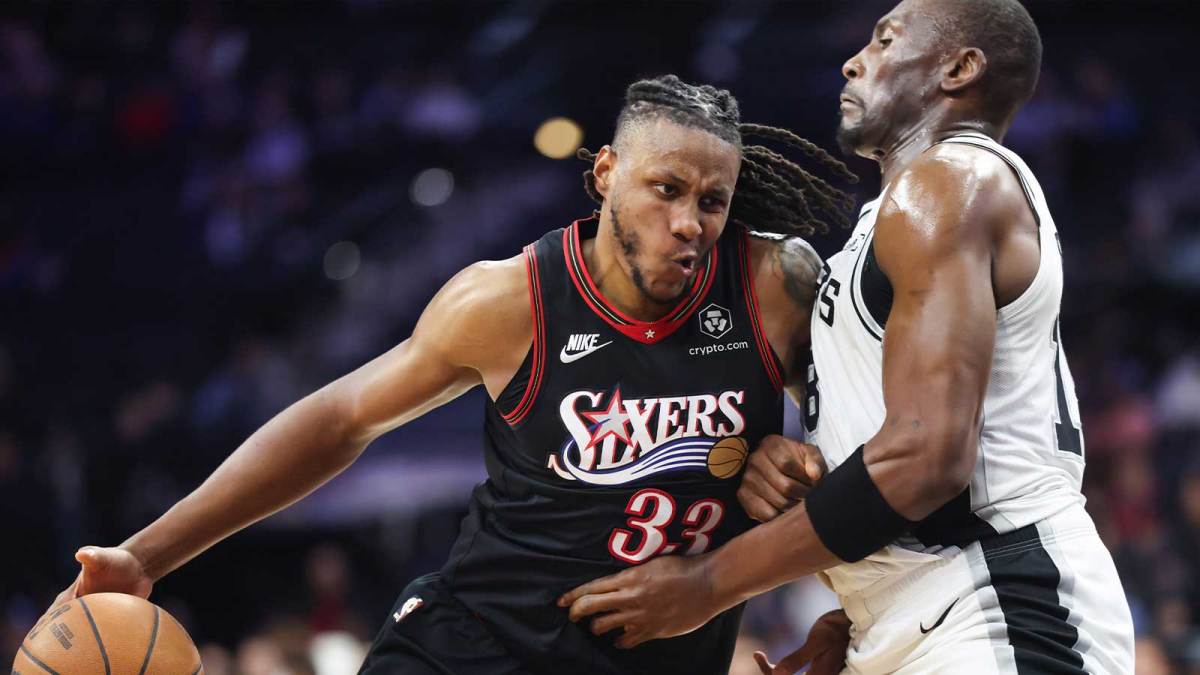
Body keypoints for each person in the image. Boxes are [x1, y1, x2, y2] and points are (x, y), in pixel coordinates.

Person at [51, 75, 856, 674]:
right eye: (666, 189)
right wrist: (148, 556)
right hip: (475, 645)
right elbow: (338, 421)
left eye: (712, 201)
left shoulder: (770, 288)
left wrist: (839, 579)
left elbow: (882, 457)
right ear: (607, 172)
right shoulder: (508, 298)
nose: (689, 222)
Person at [559, 2, 1136, 673]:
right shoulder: (904, 214)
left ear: (960, 67)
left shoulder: (951, 182)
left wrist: (707, 584)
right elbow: (916, 463)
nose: (854, 59)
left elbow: (926, 458)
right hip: (932, 610)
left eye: (886, 40)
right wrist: (857, 586)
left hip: (1004, 608)